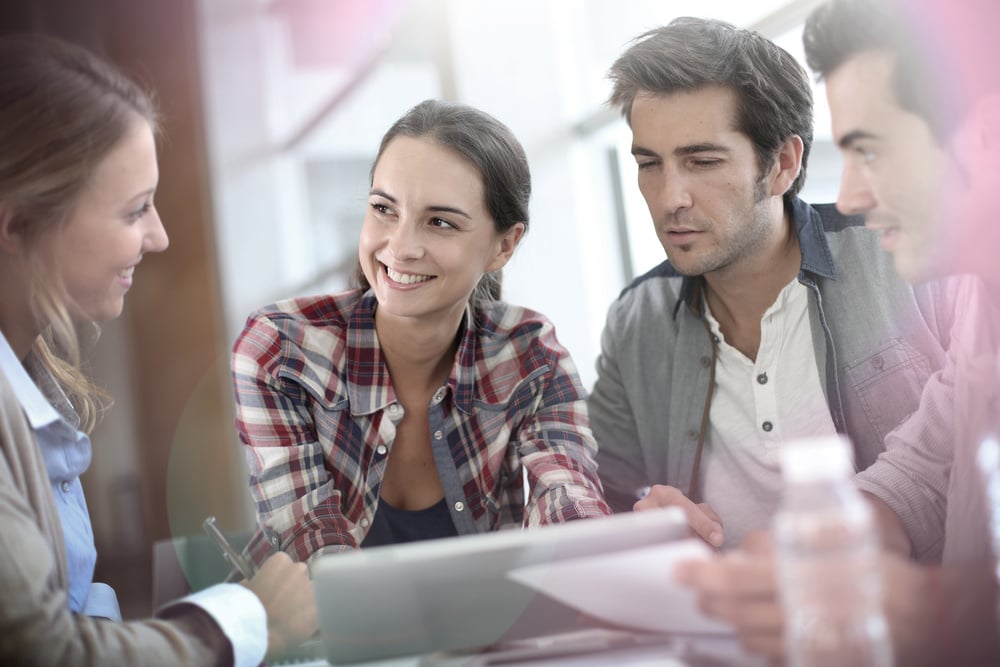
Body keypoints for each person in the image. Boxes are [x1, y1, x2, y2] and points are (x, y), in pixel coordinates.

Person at [675, 0, 1000, 663]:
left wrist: (937, 614)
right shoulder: (982, 300)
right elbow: (930, 467)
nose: (847, 196)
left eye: (870, 151)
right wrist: (812, 559)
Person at [588, 16, 961, 551]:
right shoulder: (637, 319)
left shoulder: (905, 259)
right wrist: (641, 521)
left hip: (919, 617)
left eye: (702, 161)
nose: (670, 198)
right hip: (727, 627)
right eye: (650, 164)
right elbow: (602, 496)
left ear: (783, 164)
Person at [0, 33, 316, 665]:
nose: (160, 236)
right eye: (135, 209)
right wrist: (252, 620)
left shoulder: (27, 385)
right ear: (16, 224)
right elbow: (45, 651)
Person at [232, 99, 611, 563]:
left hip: (488, 632)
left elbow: (566, 492)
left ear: (504, 245)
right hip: (328, 631)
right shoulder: (282, 349)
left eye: (440, 222)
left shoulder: (530, 355)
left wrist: (590, 548)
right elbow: (310, 543)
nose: (401, 246)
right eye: (384, 209)